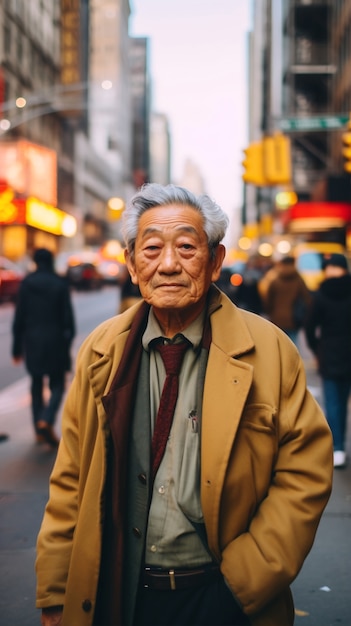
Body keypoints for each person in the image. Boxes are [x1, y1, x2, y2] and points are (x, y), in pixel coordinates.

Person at [35, 184, 333, 626]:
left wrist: (246, 579)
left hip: (224, 597)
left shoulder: (269, 350)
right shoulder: (102, 351)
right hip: (120, 591)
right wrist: (57, 590)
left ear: (215, 261)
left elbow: (304, 473)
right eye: (152, 248)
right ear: (132, 264)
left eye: (187, 248)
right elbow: (70, 479)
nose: (169, 264)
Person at [12, 248, 75, 448]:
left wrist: (16, 348)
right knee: (57, 383)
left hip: (32, 341)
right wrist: (67, 341)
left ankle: (39, 429)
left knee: (36, 383)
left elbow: (19, 317)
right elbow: (68, 320)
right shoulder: (59, 283)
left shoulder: (26, 283)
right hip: (56, 339)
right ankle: (47, 418)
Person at [304, 252, 351, 469]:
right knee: (342, 402)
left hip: (330, 354)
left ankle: (338, 448)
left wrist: (317, 349)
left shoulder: (321, 295)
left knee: (333, 403)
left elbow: (310, 328)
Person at [263, 255, 311, 346]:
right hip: (294, 318)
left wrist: (270, 313)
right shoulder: (299, 281)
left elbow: (268, 301)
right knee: (293, 346)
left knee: (279, 346)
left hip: (277, 319)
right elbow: (307, 299)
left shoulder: (275, 281)